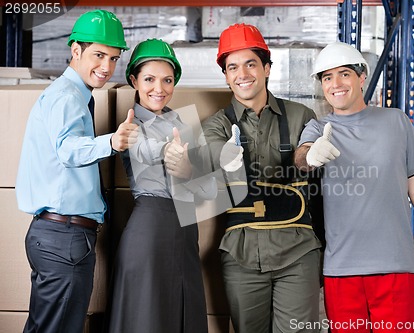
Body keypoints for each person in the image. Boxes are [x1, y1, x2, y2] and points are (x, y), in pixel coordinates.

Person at [294, 41, 414, 333]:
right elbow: (302, 158)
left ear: (361, 77)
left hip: (396, 266)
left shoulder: (395, 121)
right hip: (341, 270)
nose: (336, 84)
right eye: (327, 77)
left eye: (344, 74)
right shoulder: (319, 128)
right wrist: (311, 154)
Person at [15, 9, 136, 333]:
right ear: (75, 50)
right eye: (98, 55)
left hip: (58, 236)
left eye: (113, 58)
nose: (106, 67)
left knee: (47, 327)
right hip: (63, 236)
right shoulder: (68, 98)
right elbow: (68, 150)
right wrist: (113, 141)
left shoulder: (74, 97)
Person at [201, 23, 323, 333]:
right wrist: (224, 156)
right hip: (241, 253)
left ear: (267, 68)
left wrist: (309, 157)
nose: (242, 73)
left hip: (298, 252)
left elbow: (307, 156)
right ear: (226, 75)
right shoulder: (215, 125)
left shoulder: (301, 116)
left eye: (251, 64)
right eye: (233, 67)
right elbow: (212, 152)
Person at [108, 38, 209, 333]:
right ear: (133, 81)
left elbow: (209, 191)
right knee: (147, 319)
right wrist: (169, 151)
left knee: (183, 316)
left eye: (167, 80)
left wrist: (199, 169)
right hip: (151, 229)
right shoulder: (130, 126)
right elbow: (141, 148)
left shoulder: (183, 122)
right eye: (149, 79)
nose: (159, 88)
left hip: (186, 229)